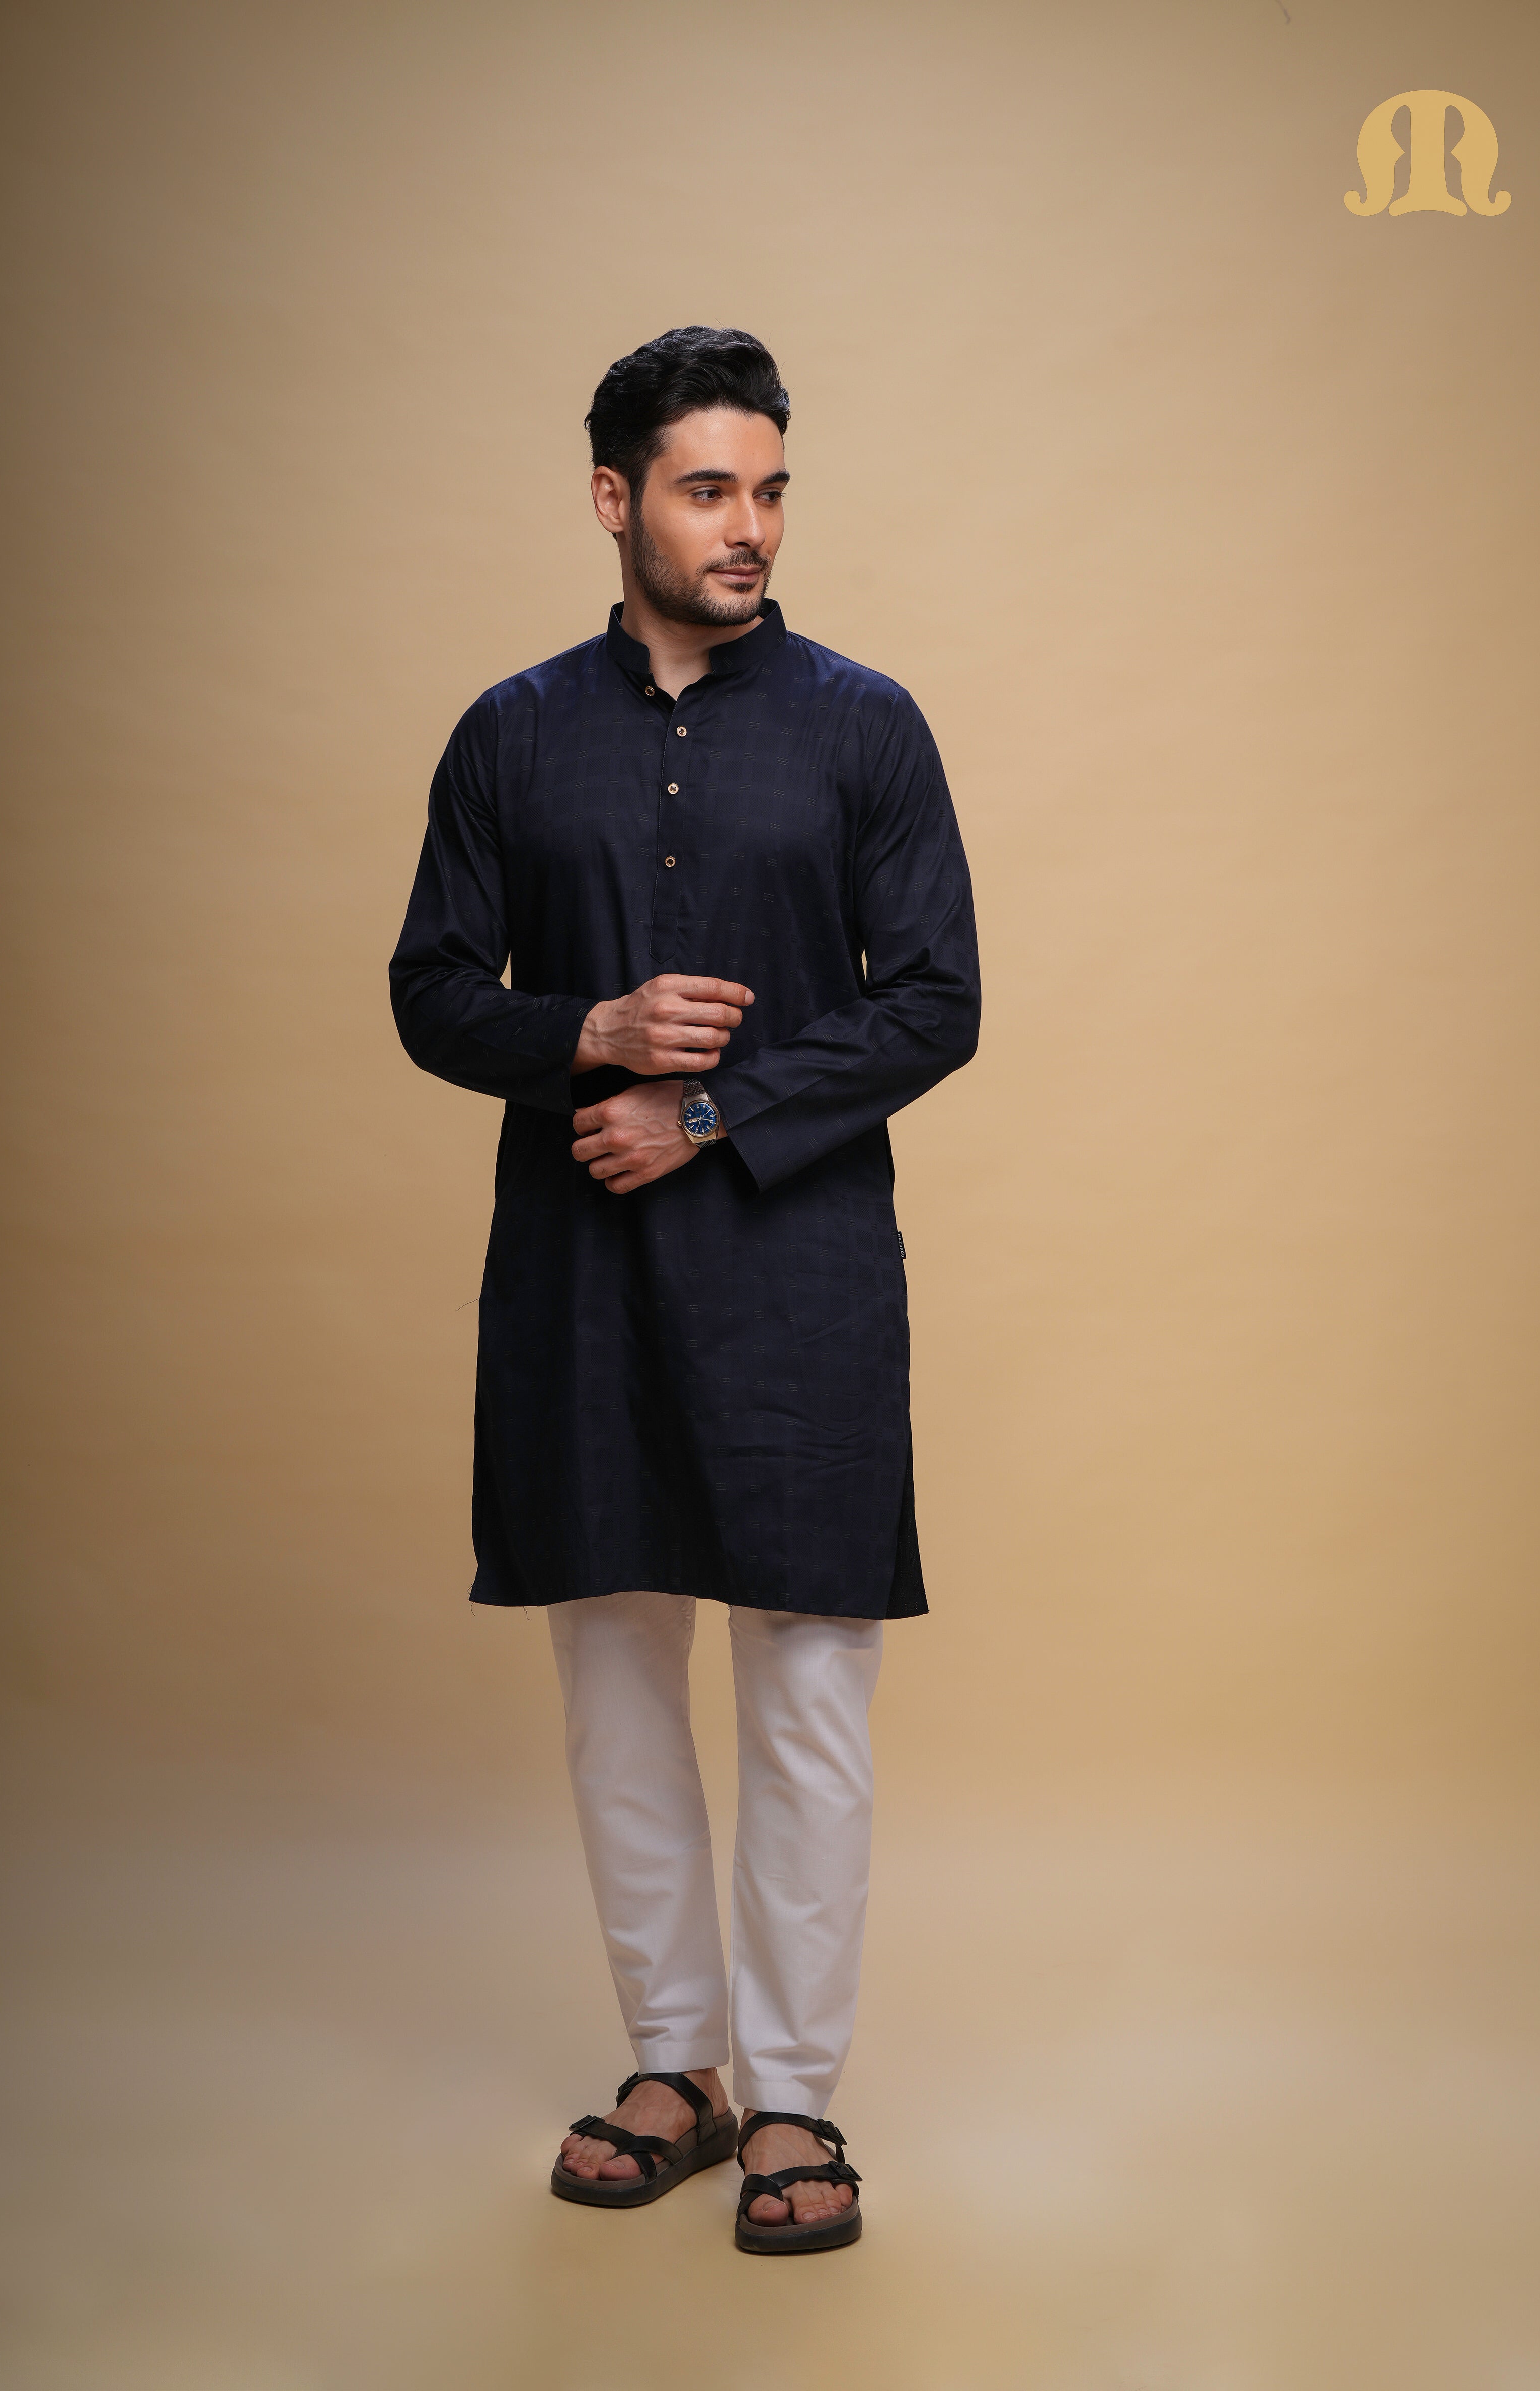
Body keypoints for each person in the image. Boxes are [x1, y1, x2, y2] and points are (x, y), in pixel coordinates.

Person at [389, 327, 980, 2252]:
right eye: (709, 488)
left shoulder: (866, 726)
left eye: (771, 489)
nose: (750, 527)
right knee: (618, 1689)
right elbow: (430, 993)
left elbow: (938, 1002)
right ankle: (678, 2066)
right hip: (583, 1279)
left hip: (802, 1282)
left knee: (807, 1692)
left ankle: (795, 2095)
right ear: (614, 499)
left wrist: (709, 1104)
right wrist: (594, 1032)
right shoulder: (509, 734)